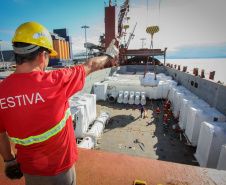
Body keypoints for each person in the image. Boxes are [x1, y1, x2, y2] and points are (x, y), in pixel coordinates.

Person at [0, 22, 119, 185]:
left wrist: (8, 160)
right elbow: (91, 65)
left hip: (30, 170)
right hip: (60, 170)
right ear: (42, 56)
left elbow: (0, 134)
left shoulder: (1, 91)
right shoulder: (56, 81)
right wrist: (109, 55)